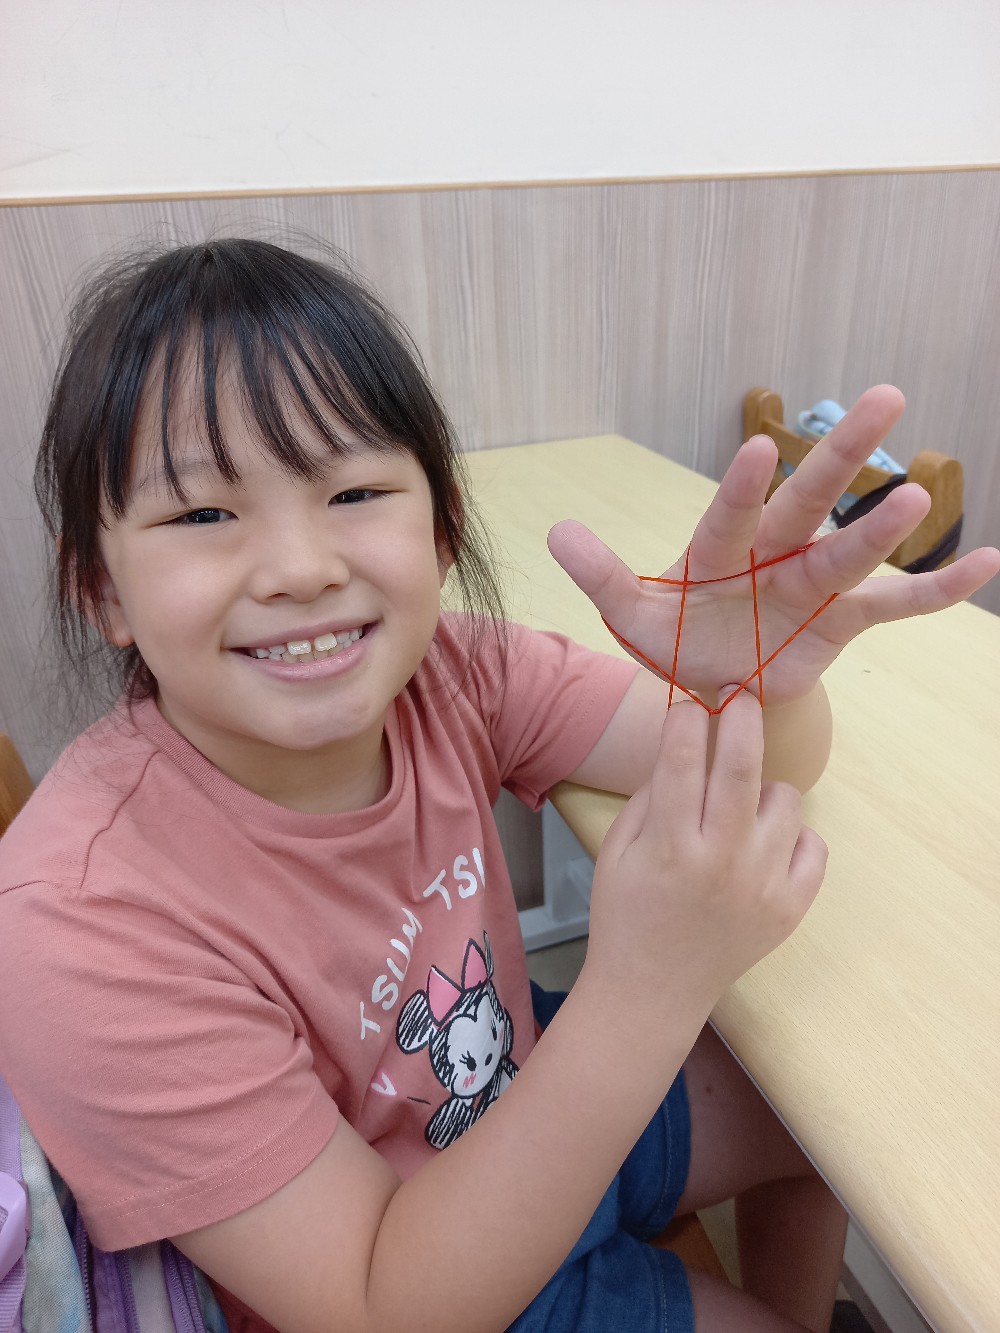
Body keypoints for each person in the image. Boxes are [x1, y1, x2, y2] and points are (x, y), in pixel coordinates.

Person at [0, 239, 996, 1333]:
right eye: (201, 515)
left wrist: (749, 682)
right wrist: (647, 983)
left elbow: (757, 764)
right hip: (415, 1275)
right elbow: (377, 1306)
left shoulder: (451, 671)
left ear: (442, 531)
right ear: (101, 587)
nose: (300, 568)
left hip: (527, 1085)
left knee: (831, 1123)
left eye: (353, 490)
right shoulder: (80, 922)